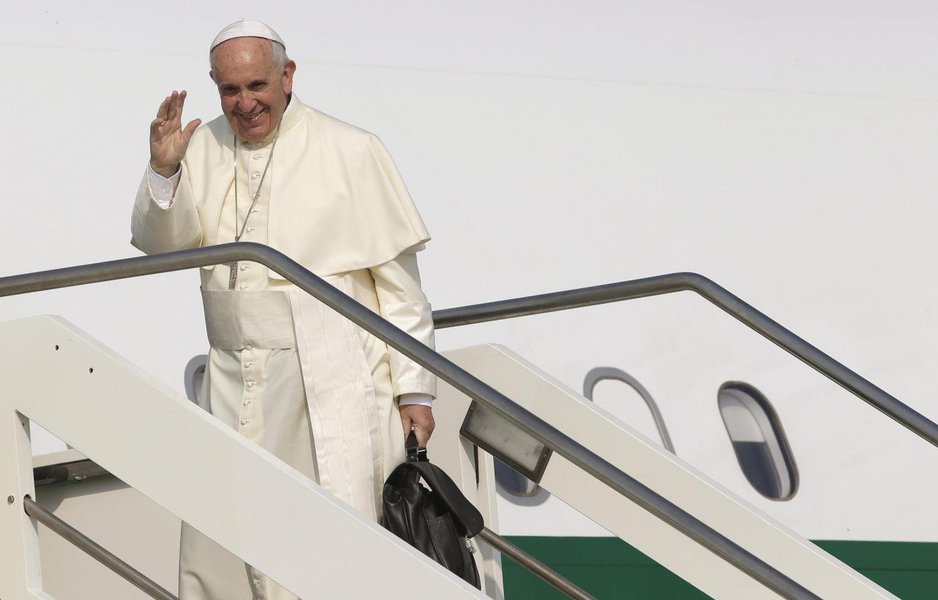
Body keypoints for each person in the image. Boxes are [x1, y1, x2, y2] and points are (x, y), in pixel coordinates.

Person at [130, 19, 437, 600]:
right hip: (227, 375)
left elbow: (401, 291)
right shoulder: (201, 145)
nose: (245, 104)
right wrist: (165, 170)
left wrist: (415, 391)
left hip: (327, 376)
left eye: (257, 86)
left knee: (320, 545)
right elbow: (160, 244)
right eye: (230, 90)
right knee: (220, 541)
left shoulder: (352, 148)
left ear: (288, 76)